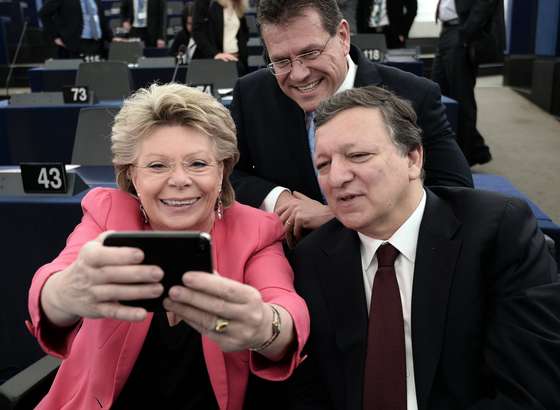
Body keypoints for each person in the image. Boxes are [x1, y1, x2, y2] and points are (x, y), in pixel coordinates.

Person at [26, 83, 310, 409]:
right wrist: (65, 292)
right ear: (131, 174)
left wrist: (264, 326)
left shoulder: (256, 230)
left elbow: (287, 308)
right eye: (158, 165)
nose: (179, 180)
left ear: (223, 171)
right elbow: (52, 281)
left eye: (198, 164)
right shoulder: (108, 213)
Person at [283, 85, 560, 409]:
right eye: (323, 165)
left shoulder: (499, 232)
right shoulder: (312, 257)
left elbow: (531, 390)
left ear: (413, 158)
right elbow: (308, 391)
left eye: (358, 155)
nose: (337, 177)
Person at [230, 0, 472, 246]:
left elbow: (455, 194)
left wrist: (338, 214)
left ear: (343, 37)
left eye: (311, 53)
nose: (299, 74)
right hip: (291, 264)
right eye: (281, 61)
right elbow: (225, 173)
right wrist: (280, 200)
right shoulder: (252, 94)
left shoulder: (413, 95)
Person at [432, 0, 505, 166]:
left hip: (461, 32)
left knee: (461, 97)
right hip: (447, 31)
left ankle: (464, 159)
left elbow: (485, 4)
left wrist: (467, 32)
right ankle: (477, 149)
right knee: (438, 94)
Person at [39, 0, 113, 59]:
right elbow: (44, 14)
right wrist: (55, 36)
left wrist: (111, 38)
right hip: (76, 44)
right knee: (79, 75)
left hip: (97, 43)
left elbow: (101, 19)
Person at [192, 0, 249, 73]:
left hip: (237, 60)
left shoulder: (238, 4)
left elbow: (244, 33)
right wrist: (215, 54)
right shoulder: (208, 3)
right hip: (217, 62)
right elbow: (197, 32)